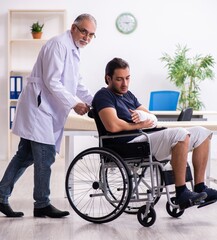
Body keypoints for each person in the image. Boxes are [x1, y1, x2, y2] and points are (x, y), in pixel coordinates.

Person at [0, 13, 97, 218]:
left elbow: (76, 83)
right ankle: (42, 203)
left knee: (24, 156)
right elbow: (52, 81)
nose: (87, 38)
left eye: (91, 35)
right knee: (45, 157)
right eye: (83, 31)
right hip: (39, 109)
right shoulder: (58, 45)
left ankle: (1, 196)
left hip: (45, 108)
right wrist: (74, 104)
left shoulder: (74, 49)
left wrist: (95, 101)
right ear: (73, 28)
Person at [92, 57, 217, 210]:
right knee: (180, 134)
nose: (125, 83)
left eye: (127, 78)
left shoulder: (128, 95)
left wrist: (145, 120)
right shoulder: (103, 95)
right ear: (108, 78)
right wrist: (140, 124)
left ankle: (200, 187)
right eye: (119, 79)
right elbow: (112, 126)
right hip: (126, 144)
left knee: (202, 133)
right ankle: (181, 192)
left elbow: (151, 117)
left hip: (144, 138)